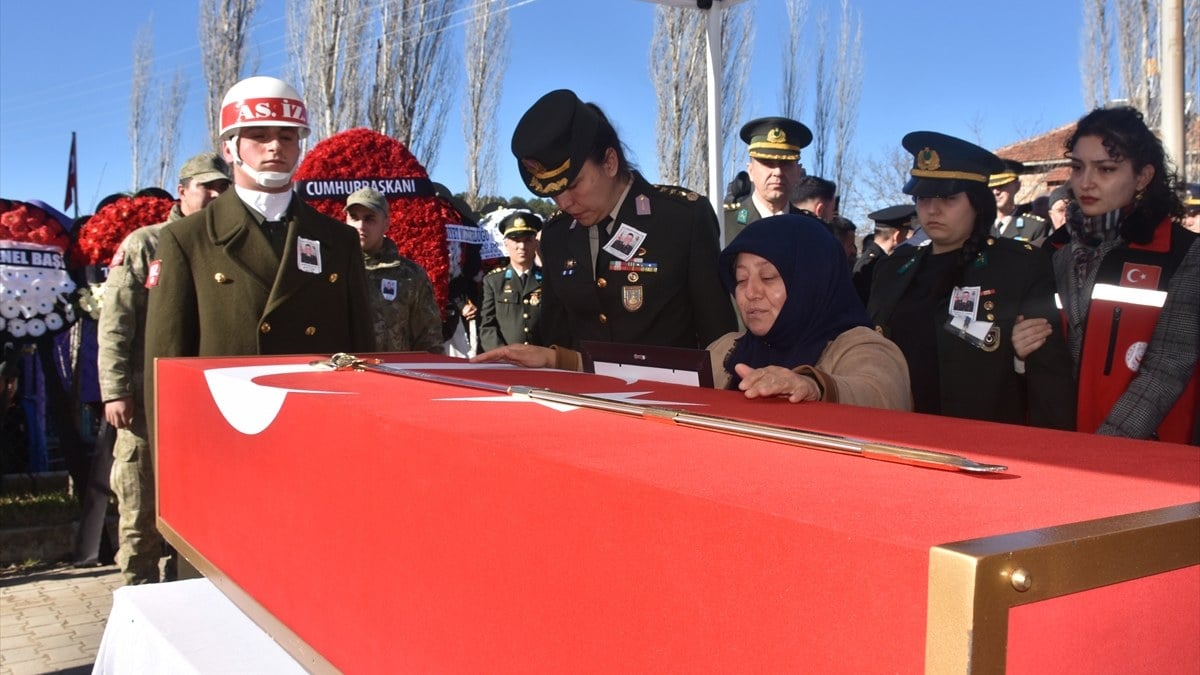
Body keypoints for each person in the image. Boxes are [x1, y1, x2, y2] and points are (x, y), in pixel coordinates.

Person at [475, 213, 911, 409]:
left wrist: (811, 385)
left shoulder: (863, 348)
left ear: (812, 280)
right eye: (740, 280)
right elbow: (650, 376)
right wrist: (556, 360)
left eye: (770, 277)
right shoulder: (730, 350)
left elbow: (877, 393)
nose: (751, 294)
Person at [144, 76, 374, 413]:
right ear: (229, 148)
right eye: (259, 137)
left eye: (286, 136)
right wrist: (171, 459)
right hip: (229, 424)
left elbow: (360, 353)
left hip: (320, 418)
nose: (274, 147)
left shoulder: (338, 240)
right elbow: (166, 365)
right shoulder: (187, 239)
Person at [1013, 106, 1198, 442]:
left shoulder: (1183, 253)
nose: (1086, 182)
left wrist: (1103, 447)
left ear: (1142, 177)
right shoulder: (1053, 253)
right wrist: (1019, 355)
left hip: (1143, 457)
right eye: (1078, 167)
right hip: (1056, 445)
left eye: (1106, 169)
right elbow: (1044, 356)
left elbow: (1169, 366)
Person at [868, 131, 1076, 429]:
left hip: (981, 441)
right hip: (899, 432)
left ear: (977, 203)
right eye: (924, 197)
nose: (932, 209)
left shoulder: (1019, 266)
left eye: (949, 198)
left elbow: (1049, 379)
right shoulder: (892, 269)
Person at [510, 88, 736, 350]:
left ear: (609, 162)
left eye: (573, 185)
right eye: (552, 194)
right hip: (580, 390)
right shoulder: (557, 234)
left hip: (668, 389)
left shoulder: (682, 219)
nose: (564, 202)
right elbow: (555, 336)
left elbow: (719, 338)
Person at [99, 153, 231, 584]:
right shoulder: (146, 243)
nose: (213, 195)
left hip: (204, 407)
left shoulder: (225, 244)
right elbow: (116, 322)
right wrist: (115, 389)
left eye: (221, 188)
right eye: (205, 187)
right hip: (145, 403)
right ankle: (135, 606)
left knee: (197, 521)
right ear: (182, 191)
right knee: (139, 514)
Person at [344, 188, 442, 353]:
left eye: (369, 219)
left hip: (392, 374)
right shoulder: (333, 270)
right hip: (342, 374)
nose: (361, 226)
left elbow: (429, 339)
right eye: (354, 218)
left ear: (386, 223)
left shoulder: (410, 275)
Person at [723, 117, 812, 245]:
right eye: (767, 163)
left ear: (798, 172)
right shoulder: (723, 224)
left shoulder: (812, 230)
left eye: (785, 163)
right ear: (750, 170)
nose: (777, 172)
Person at [480, 212, 544, 351]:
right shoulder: (494, 281)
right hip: (506, 360)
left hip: (542, 358)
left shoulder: (548, 279)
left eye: (527, 240)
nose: (521, 246)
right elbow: (487, 325)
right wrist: (502, 355)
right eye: (516, 240)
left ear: (535, 243)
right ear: (506, 244)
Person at [853, 204, 914, 303]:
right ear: (897, 236)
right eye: (906, 235)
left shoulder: (878, 260)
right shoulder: (872, 264)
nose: (907, 240)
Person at [989, 160, 1049, 243]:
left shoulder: (1034, 227)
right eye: (991, 187)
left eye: (1001, 186)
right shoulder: (980, 225)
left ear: (1017, 186)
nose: (996, 192)